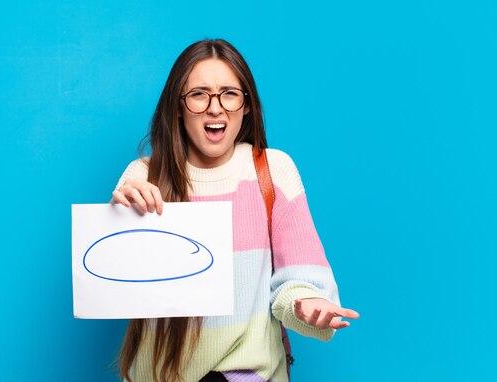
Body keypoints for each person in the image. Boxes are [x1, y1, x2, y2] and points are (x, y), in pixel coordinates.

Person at [111, 38, 359, 382]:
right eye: (199, 94)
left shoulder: (273, 171)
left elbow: (296, 283)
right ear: (179, 107)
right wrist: (121, 216)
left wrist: (305, 304)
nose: (215, 108)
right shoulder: (143, 176)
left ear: (246, 105)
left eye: (229, 93)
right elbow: (116, 280)